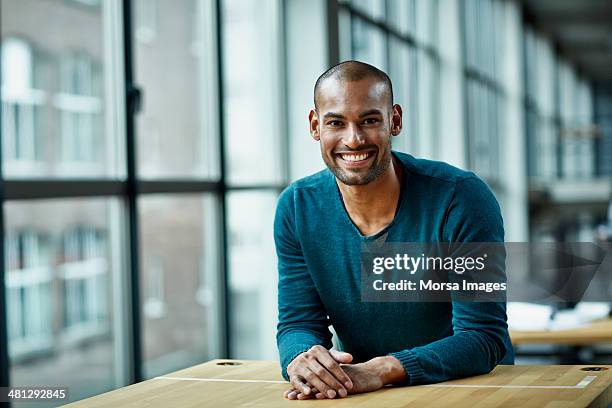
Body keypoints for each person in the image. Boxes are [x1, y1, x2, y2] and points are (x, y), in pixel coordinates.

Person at [274, 60, 514, 400]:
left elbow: (483, 337)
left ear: (394, 121)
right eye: (336, 123)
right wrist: (304, 359)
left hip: (471, 391)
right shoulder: (297, 207)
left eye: (370, 120)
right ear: (316, 126)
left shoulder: (462, 197)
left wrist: (380, 369)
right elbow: (298, 323)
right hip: (363, 393)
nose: (353, 139)